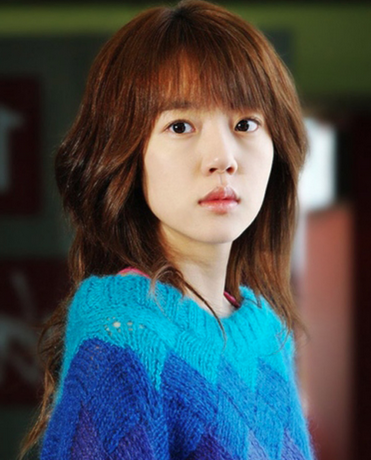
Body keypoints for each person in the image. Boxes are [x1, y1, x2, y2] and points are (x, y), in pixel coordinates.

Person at [20, 0, 317, 458]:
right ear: (126, 153)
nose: (223, 158)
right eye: (180, 126)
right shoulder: (124, 333)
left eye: (245, 123)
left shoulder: (265, 334)